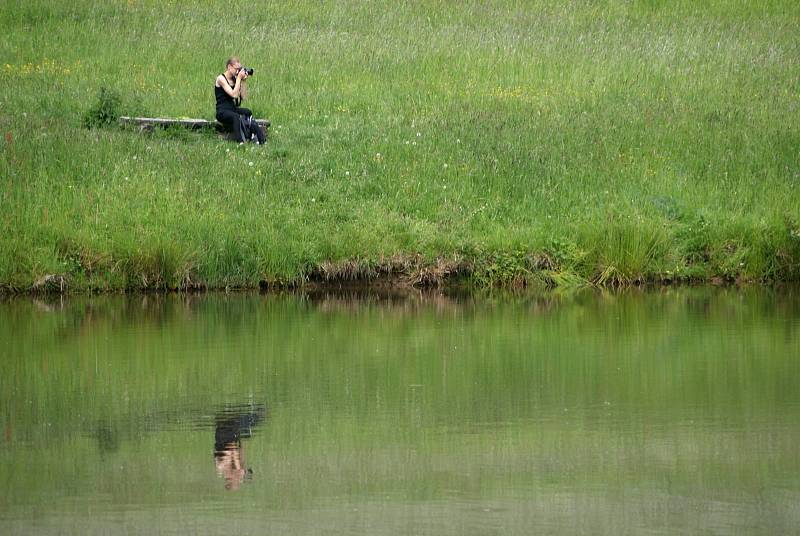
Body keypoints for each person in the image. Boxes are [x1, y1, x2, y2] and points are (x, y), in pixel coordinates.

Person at [215, 57, 265, 145]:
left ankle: (260, 139)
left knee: (248, 112)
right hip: (222, 111)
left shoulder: (235, 79)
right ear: (229, 67)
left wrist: (244, 81)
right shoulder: (221, 79)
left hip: (232, 108)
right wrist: (238, 79)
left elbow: (244, 97)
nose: (238, 71)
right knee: (236, 117)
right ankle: (241, 142)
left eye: (239, 69)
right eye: (236, 69)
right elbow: (233, 94)